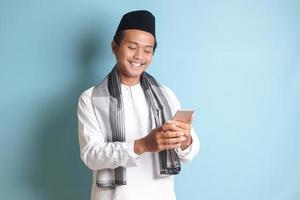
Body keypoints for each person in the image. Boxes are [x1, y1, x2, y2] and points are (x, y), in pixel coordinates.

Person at [77, 10, 200, 200]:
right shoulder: (91, 98)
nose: (139, 56)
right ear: (114, 47)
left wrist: (183, 140)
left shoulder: (166, 95)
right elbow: (91, 155)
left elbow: (190, 151)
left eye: (147, 50)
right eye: (132, 47)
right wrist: (142, 145)